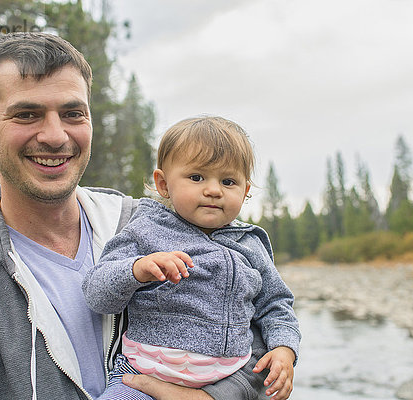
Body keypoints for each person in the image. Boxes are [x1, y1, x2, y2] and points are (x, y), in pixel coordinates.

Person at [0, 33, 271, 399]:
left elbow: (255, 332)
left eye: (73, 113)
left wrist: (218, 397)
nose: (56, 136)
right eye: (27, 114)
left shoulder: (156, 226)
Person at [83, 116, 301, 400]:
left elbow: (275, 305)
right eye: (196, 177)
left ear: (245, 191)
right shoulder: (145, 229)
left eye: (228, 181)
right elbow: (96, 294)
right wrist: (136, 270)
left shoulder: (250, 245)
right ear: (163, 184)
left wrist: (284, 349)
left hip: (226, 379)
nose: (213, 189)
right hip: (141, 375)